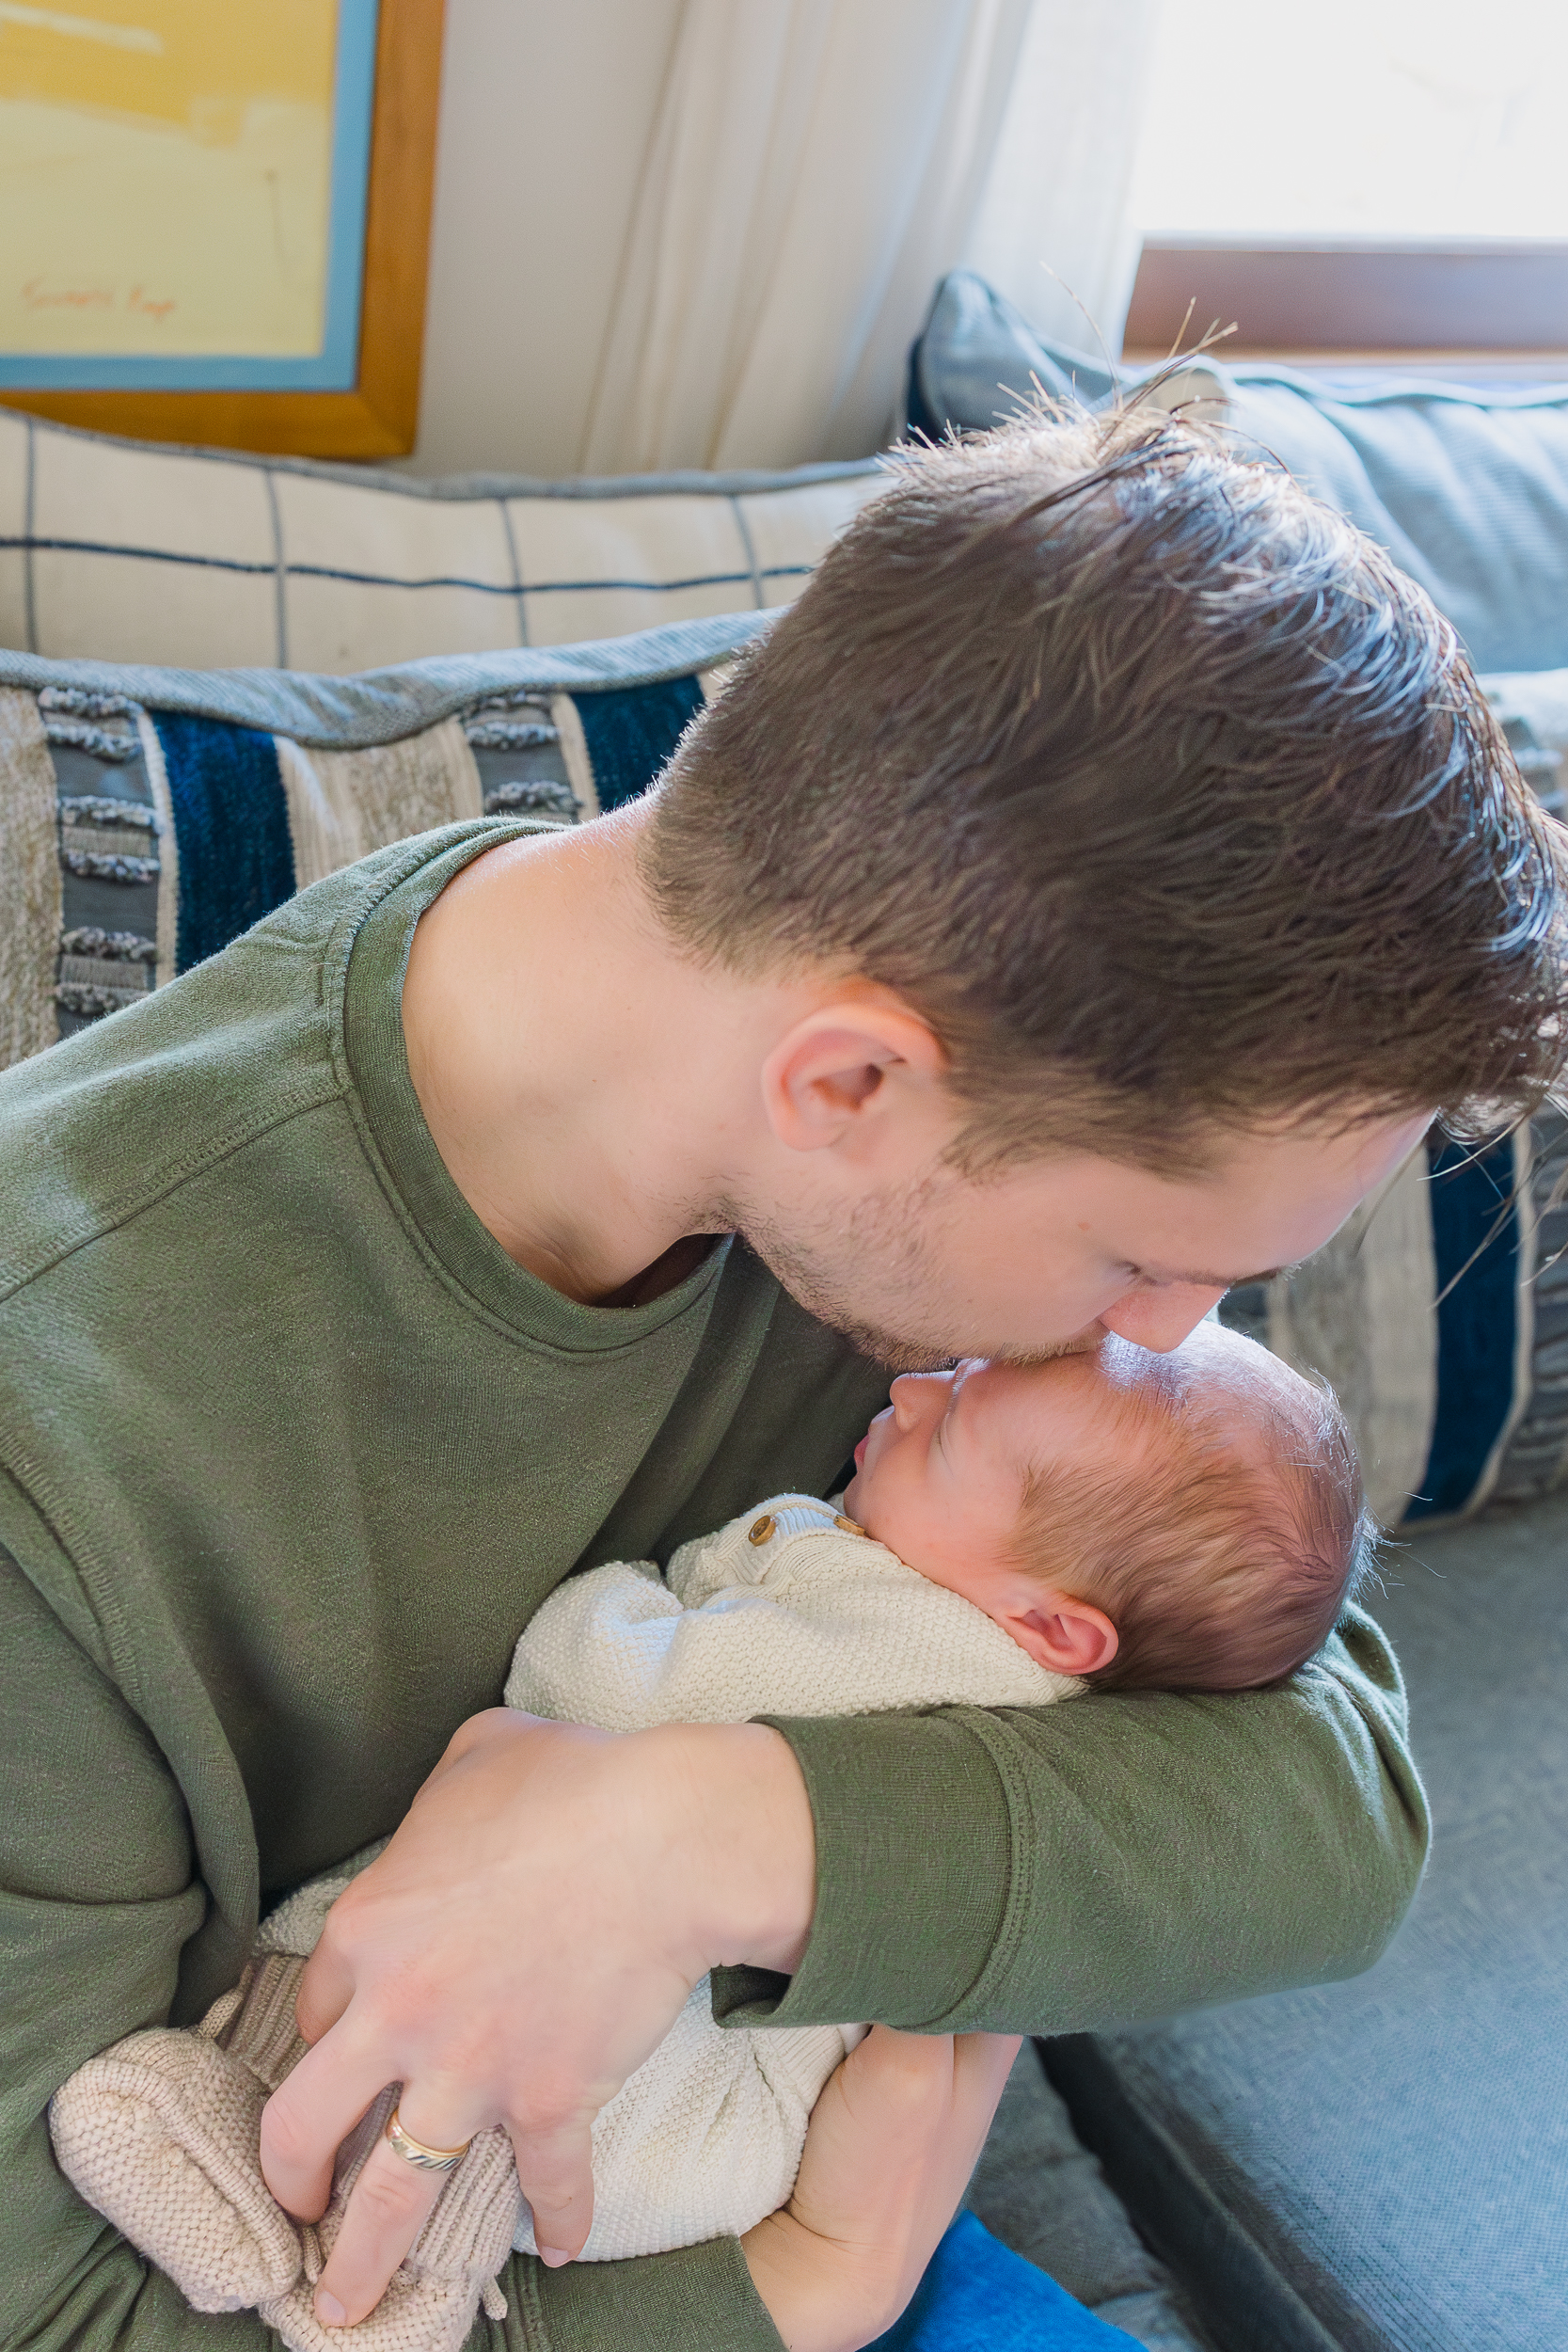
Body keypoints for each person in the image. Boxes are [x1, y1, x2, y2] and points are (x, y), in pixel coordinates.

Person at [2, 405, 1561, 2352]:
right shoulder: (51, 1425)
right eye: (1145, 1254)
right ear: (849, 1082)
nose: (1171, 1335)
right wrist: (789, 2286)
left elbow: (1333, 1801)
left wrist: (697, 1834)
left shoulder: (914, 1219)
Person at [51, 1320, 1370, 2352]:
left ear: (1054, 1628)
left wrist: (608, 1602)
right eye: (954, 1372)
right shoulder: (1053, 1650)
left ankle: (331, 2235)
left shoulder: (911, 1627)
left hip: (665, 2124)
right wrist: (821, 2283)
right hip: (764, 2194)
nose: (911, 1392)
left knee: (445, 2063)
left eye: (956, 1418)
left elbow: (627, 1690)